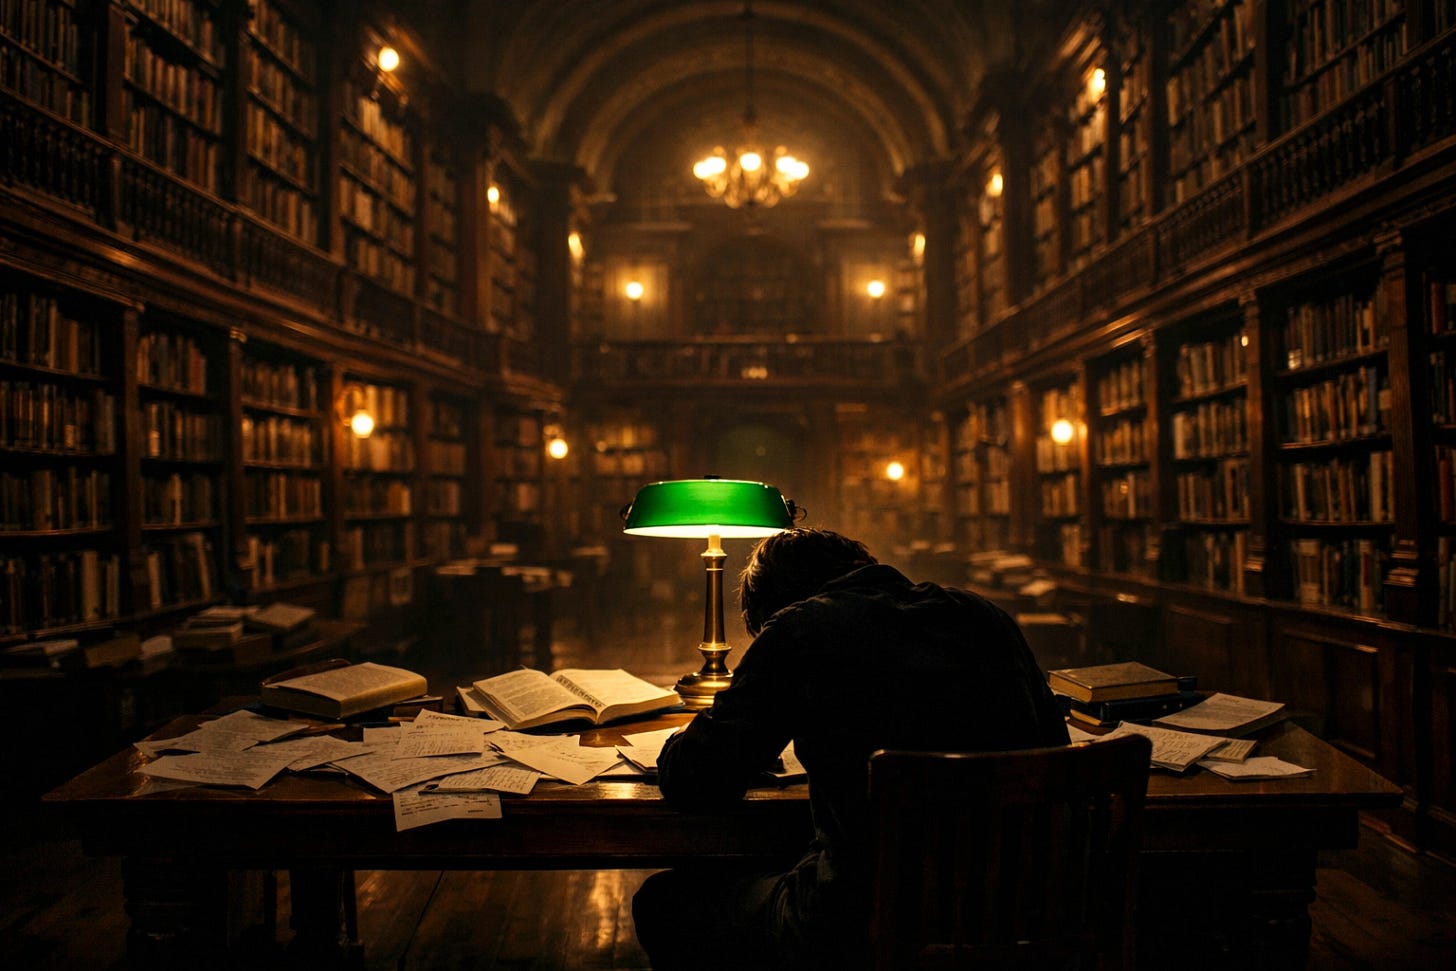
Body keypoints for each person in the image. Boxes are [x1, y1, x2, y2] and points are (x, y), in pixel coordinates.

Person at [632, 527, 1070, 971]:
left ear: (772, 606)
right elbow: (1058, 749)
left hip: (863, 919)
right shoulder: (984, 615)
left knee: (665, 902)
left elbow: (695, 780)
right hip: (1020, 906)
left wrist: (684, 738)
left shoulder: (799, 628)